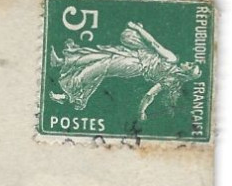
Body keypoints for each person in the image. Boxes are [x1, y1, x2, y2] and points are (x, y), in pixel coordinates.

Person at [50, 21, 201, 121]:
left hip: (135, 64)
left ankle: (67, 93)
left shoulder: (172, 60)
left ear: (187, 73)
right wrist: (142, 112)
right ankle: (62, 63)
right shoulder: (172, 79)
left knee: (100, 66)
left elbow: (154, 44)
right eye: (193, 63)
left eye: (192, 66)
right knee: (101, 55)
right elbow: (150, 95)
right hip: (136, 56)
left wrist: (138, 29)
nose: (190, 63)